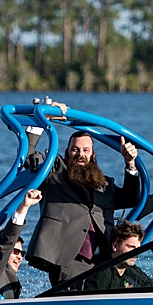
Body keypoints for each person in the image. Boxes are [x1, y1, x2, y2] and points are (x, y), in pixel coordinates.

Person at [24, 103, 143, 285]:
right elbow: (28, 157)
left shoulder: (104, 184)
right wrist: (42, 117)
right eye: (75, 150)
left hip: (104, 260)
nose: (80, 154)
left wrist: (130, 163)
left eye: (86, 150)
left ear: (93, 155)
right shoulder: (54, 171)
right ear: (67, 152)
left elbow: (131, 198)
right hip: (68, 258)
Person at [0, 189, 41, 299]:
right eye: (16, 251)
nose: (19, 257)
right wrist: (24, 207)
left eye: (22, 253)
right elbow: (7, 241)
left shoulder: (12, 280)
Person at [84, 220, 153, 291]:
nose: (136, 252)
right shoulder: (101, 274)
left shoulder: (134, 271)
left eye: (138, 249)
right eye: (131, 247)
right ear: (115, 246)